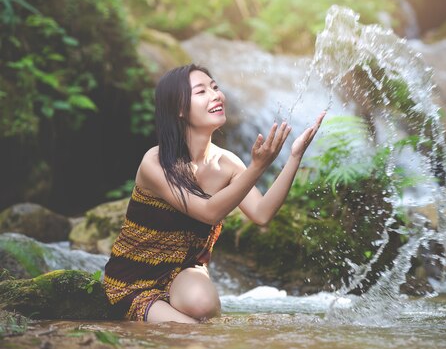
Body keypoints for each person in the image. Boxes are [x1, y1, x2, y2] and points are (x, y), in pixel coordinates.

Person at [103, 64, 325, 323]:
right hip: (132, 281)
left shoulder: (227, 163)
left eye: (215, 87)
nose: (216, 95)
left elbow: (262, 213)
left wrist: (295, 157)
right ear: (180, 109)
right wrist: (257, 167)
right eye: (201, 91)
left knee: (205, 310)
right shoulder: (156, 162)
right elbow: (209, 213)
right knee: (195, 334)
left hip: (182, 272)